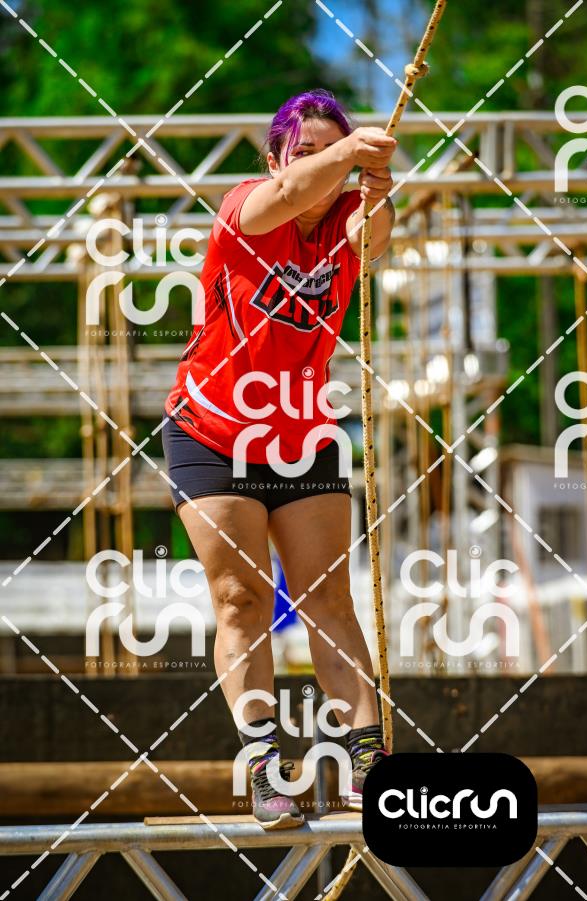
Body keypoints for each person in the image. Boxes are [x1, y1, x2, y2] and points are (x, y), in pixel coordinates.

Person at [163, 90, 396, 829]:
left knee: (330, 598)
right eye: (306, 151)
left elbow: (372, 239)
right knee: (241, 598)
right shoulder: (247, 204)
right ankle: (265, 764)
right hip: (211, 429)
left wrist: (376, 185)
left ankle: (368, 762)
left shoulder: (347, 215)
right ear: (275, 160)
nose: (322, 166)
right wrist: (347, 154)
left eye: (333, 148)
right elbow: (290, 196)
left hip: (302, 433)